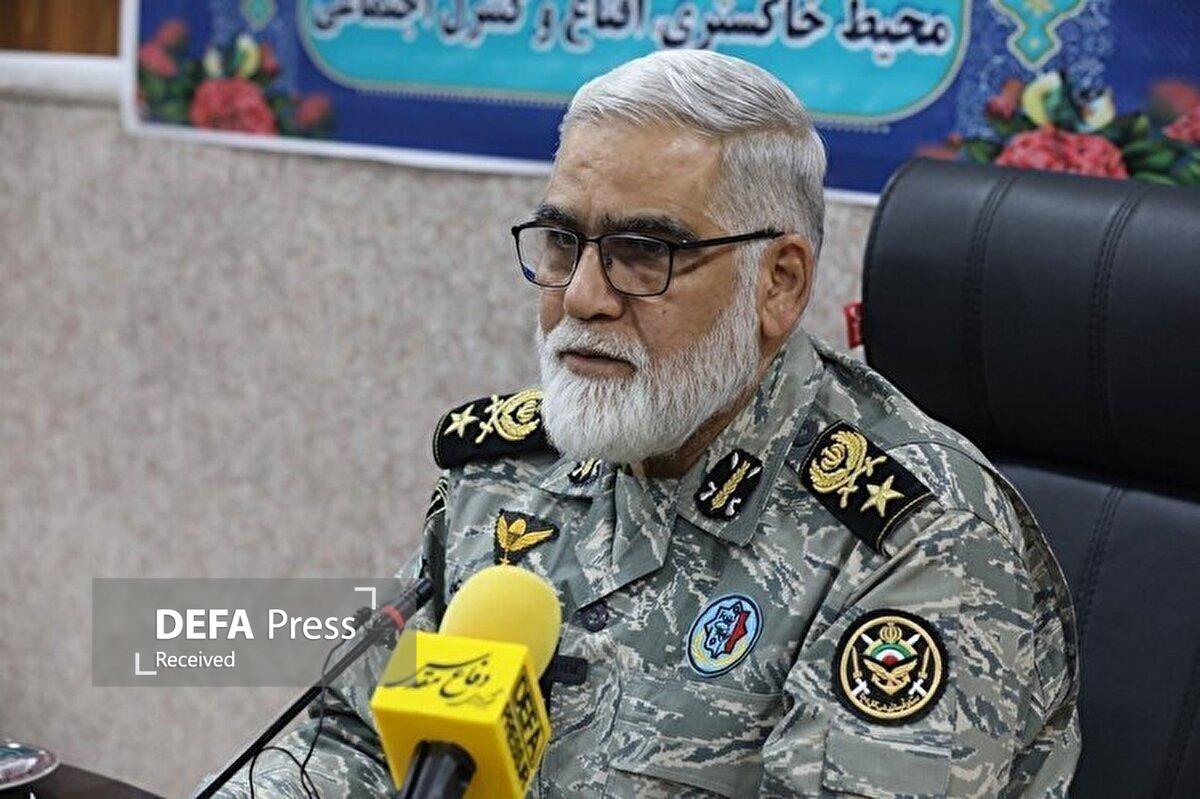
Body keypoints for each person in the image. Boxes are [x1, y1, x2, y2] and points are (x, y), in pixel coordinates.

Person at [207, 49, 1080, 797]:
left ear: (777, 283)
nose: (583, 297)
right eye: (563, 242)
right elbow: (351, 742)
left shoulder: (920, 544)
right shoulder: (508, 472)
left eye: (643, 253)